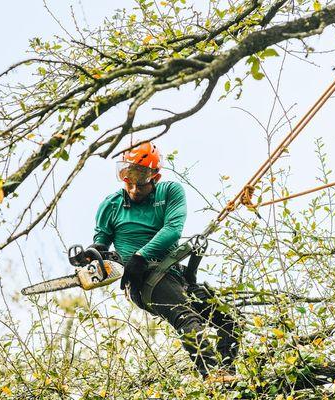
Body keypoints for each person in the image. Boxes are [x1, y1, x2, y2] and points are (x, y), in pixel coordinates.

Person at [84, 141, 241, 382]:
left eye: (141, 179)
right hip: (143, 279)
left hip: (173, 274)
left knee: (228, 319)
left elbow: (173, 230)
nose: (134, 187)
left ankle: (228, 374)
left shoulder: (170, 192)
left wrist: (141, 254)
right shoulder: (111, 205)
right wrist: (93, 254)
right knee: (186, 317)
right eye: (128, 178)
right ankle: (212, 376)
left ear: (154, 177)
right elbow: (101, 240)